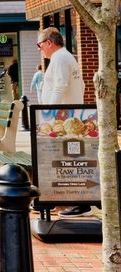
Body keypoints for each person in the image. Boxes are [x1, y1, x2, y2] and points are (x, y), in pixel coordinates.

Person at [36, 27, 89, 217]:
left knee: (70, 160)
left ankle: (79, 203)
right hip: (68, 115)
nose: (39, 49)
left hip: (64, 117)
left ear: (49, 43)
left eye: (39, 45)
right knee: (67, 159)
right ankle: (65, 200)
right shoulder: (65, 57)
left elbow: (60, 85)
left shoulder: (59, 58)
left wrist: (49, 112)